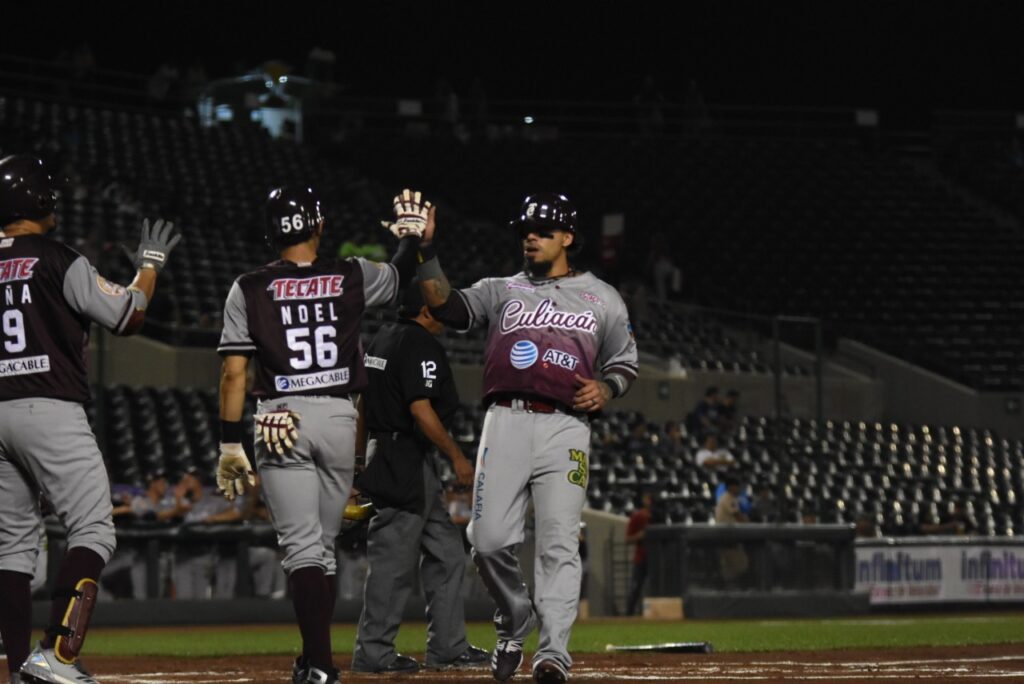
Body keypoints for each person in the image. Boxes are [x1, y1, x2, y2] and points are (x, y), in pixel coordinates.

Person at [416, 191, 639, 683]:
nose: (530, 237)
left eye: (542, 230)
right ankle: (516, 614)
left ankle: (554, 653)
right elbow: (445, 305)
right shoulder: (501, 289)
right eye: (525, 231)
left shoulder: (602, 296)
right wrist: (425, 251)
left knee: (559, 544)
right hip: (506, 419)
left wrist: (606, 387)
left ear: (568, 237)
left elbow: (624, 362)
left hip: (567, 428)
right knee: (486, 538)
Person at [215, 186, 423, 684]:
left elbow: (234, 373)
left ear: (270, 232)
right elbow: (401, 276)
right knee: (323, 549)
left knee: (303, 551)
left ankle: (320, 666)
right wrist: (410, 238)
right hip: (338, 416)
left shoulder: (248, 286)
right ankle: (314, 661)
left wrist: (229, 442)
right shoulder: (351, 273)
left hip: (280, 418)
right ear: (319, 225)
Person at [0, 154, 181, 684]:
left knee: (11, 548)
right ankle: (57, 657)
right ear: (38, 199)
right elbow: (128, 316)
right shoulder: (59, 258)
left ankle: (19, 668)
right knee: (94, 529)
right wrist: (150, 266)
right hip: (49, 407)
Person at [351, 281, 488, 674]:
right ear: (426, 311)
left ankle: (448, 647)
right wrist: (457, 457)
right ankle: (373, 653)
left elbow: (362, 403)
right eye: (439, 306)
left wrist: (359, 460)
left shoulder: (382, 337)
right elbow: (421, 409)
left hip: (393, 453)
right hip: (402, 458)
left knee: (447, 554)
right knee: (393, 559)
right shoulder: (418, 343)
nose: (446, 311)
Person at [714, 477, 750, 585]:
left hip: (726, 535)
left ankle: (729, 588)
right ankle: (729, 587)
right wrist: (748, 523)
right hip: (727, 536)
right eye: (737, 486)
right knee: (739, 564)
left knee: (730, 564)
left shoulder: (726, 497)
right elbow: (738, 517)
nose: (739, 489)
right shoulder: (729, 498)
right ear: (731, 487)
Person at [624, 491, 654, 616]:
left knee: (656, 589)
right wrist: (640, 535)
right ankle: (629, 615)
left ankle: (654, 614)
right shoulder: (638, 516)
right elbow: (627, 539)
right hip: (641, 557)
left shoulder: (658, 516)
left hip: (657, 558)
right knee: (635, 588)